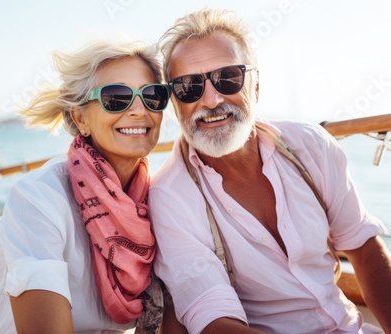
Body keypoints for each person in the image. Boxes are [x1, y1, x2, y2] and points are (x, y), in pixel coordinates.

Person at [148, 8, 391, 334]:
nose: (211, 99)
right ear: (175, 102)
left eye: (228, 77)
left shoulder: (311, 145)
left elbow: (363, 248)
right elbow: (215, 322)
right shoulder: (170, 197)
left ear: (256, 84)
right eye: (189, 87)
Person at [0, 39, 175, 333]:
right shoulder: (38, 198)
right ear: (80, 118)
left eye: (153, 95)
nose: (139, 110)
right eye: (116, 97)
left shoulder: (158, 201)